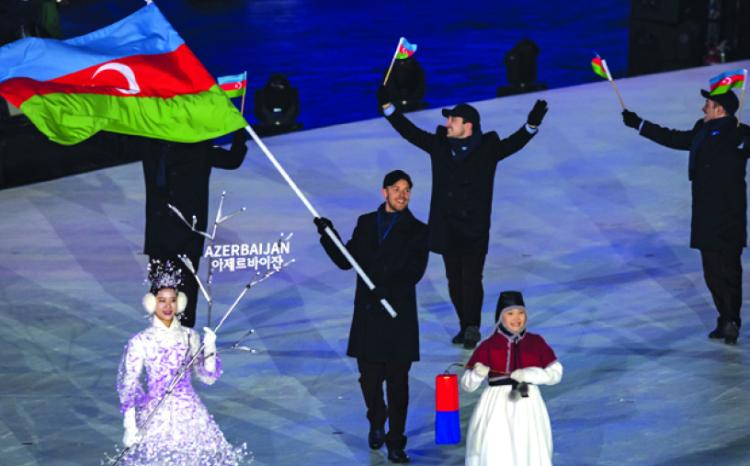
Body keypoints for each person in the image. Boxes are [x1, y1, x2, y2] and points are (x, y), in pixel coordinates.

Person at [377, 87, 548, 349]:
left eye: (453, 120)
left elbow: (513, 144)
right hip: (446, 227)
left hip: (474, 228)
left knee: (472, 278)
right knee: (454, 280)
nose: (447, 124)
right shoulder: (439, 145)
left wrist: (531, 125)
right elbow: (410, 132)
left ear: (468, 126)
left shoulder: (488, 148)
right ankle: (464, 324)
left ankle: (472, 327)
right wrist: (389, 108)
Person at [313, 170, 429, 463]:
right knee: (369, 380)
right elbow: (346, 261)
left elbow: (415, 271)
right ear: (384, 192)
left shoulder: (418, 230)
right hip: (368, 317)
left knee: (398, 385)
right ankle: (377, 418)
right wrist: (328, 235)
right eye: (396, 189)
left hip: (398, 317)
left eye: (406, 190)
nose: (402, 195)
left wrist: (387, 289)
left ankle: (396, 442)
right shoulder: (366, 223)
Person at [621, 89, 750, 344]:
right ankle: (725, 318)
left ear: (720, 109)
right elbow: (674, 138)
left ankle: (731, 319)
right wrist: (640, 124)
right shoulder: (701, 129)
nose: (703, 108)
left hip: (730, 214)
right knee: (712, 272)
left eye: (708, 104)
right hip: (704, 213)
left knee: (730, 270)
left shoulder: (742, 133)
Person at [116, 260, 247, 465]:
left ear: (180, 303)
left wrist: (210, 347)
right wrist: (130, 426)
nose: (168, 306)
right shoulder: (140, 341)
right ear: (152, 303)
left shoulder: (189, 336)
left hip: (191, 415)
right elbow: (129, 383)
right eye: (162, 300)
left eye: (173, 300)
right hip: (156, 415)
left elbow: (207, 377)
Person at [138, 130, 248, 328]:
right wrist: (239, 129)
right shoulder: (164, 144)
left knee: (180, 289)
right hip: (166, 232)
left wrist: (239, 129)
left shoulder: (159, 143)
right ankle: (168, 336)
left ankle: (183, 336)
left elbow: (232, 160)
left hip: (182, 233)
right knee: (168, 289)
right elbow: (233, 159)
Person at [461, 291, 562, 466]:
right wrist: (477, 374)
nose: (517, 318)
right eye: (510, 313)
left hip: (529, 405)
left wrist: (531, 374)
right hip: (496, 407)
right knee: (497, 449)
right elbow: (467, 385)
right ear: (500, 317)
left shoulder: (536, 342)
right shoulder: (488, 346)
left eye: (521, 312)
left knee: (530, 448)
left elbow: (556, 373)